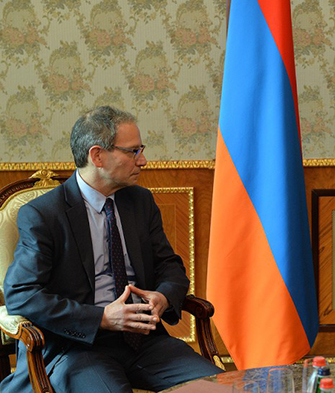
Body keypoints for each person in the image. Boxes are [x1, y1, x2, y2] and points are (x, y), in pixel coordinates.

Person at [1, 106, 223, 392]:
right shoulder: (45, 214)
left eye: (141, 150)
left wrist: (163, 297)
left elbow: (170, 266)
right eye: (133, 152)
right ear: (98, 156)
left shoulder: (140, 201)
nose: (143, 160)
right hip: (78, 348)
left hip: (144, 342)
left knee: (221, 388)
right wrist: (102, 318)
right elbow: (21, 294)